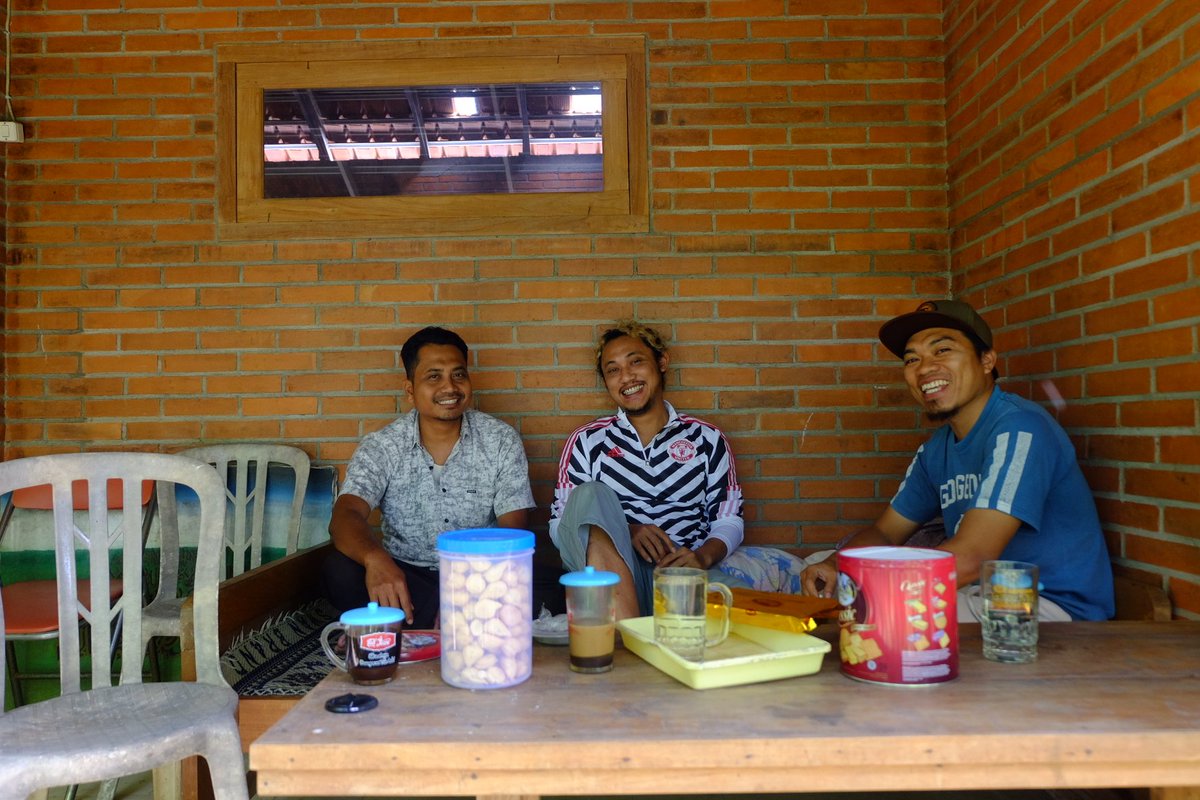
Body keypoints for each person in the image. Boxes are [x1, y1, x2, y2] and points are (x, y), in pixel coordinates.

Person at [801, 299, 1114, 621]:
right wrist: (837, 565)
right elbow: (885, 533)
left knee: (872, 613)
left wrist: (869, 590)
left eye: (942, 350)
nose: (924, 368)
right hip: (978, 594)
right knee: (820, 576)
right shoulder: (937, 449)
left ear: (987, 360)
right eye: (912, 359)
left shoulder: (1020, 429)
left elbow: (971, 557)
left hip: (1047, 607)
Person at [323, 326, 535, 628]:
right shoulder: (383, 446)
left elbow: (512, 534)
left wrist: (466, 594)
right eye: (434, 376)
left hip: (482, 575)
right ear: (410, 390)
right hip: (407, 577)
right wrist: (375, 559)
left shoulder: (500, 440)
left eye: (459, 375)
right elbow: (344, 515)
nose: (450, 387)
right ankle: (453, 624)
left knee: (548, 587)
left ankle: (418, 624)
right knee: (340, 569)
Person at [548, 320, 744, 620]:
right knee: (590, 495)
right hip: (611, 574)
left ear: (661, 362)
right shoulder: (587, 441)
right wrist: (624, 531)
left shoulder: (706, 438)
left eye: (636, 362)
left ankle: (632, 622)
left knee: (754, 616)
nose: (626, 377)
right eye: (613, 370)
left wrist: (701, 557)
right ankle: (627, 634)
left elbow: (729, 519)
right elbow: (561, 527)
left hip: (678, 576)